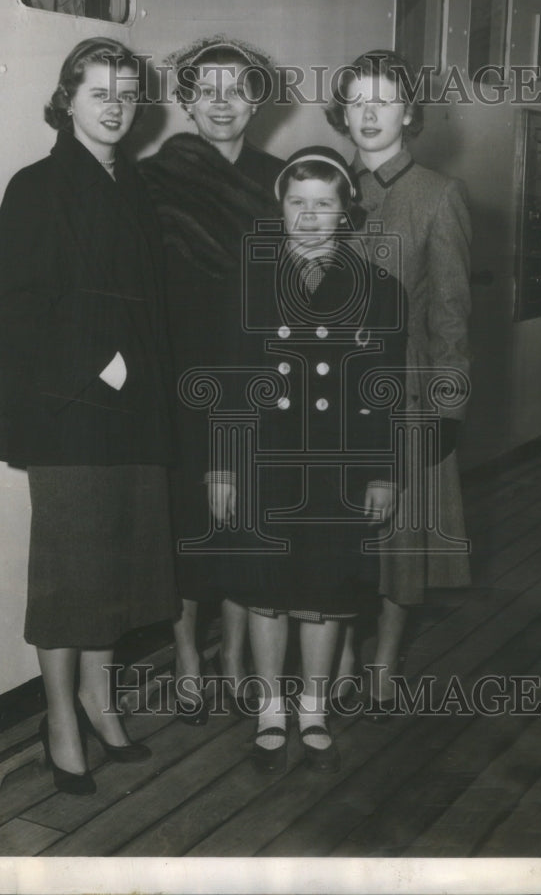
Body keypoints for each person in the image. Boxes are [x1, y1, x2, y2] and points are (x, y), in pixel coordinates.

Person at [0, 38, 179, 794]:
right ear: (66, 100)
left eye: (127, 93)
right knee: (70, 575)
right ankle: (59, 718)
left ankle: (100, 701)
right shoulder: (36, 186)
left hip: (136, 411)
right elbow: (10, 307)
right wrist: (98, 364)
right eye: (99, 92)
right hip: (72, 413)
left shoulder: (135, 188)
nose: (115, 106)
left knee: (121, 565)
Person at [230, 146, 407, 773]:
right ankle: (270, 705)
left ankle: (314, 705)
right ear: (279, 207)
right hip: (267, 460)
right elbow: (228, 381)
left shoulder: (377, 290)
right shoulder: (249, 280)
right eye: (296, 202)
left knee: (326, 590)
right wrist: (225, 466)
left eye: (322, 204)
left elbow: (385, 384)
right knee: (266, 591)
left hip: (339, 464)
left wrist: (383, 471)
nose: (308, 216)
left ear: (345, 212)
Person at [139, 34, 283, 723]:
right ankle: (188, 652)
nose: (223, 104)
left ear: (258, 99)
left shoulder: (282, 180)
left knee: (245, 522)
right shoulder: (150, 179)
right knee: (184, 520)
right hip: (178, 377)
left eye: (238, 89)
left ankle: (233, 654)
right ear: (187, 101)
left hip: (256, 376)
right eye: (207, 90)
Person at [325, 49, 472, 716]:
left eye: (383, 101)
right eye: (357, 103)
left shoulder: (438, 195)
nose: (370, 115)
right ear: (342, 115)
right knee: (338, 531)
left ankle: (384, 657)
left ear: (408, 112)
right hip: (331, 391)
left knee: (401, 537)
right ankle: (345, 652)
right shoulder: (327, 186)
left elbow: (451, 317)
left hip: (407, 391)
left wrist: (446, 411)